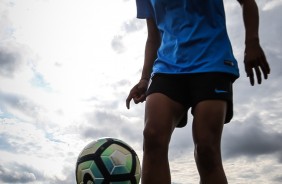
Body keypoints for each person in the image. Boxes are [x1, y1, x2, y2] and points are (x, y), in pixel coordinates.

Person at [126, 0, 270, 183]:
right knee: (152, 136)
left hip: (212, 63)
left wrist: (252, 42)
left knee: (206, 149)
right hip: (167, 67)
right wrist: (145, 78)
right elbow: (153, 36)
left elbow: (247, 2)